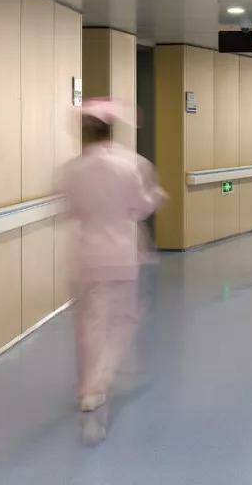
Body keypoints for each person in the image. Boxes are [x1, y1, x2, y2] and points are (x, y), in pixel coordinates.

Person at [60, 99, 166, 418]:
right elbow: (142, 206)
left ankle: (89, 389)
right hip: (120, 254)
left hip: (87, 255)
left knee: (90, 322)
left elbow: (70, 209)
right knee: (124, 318)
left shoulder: (73, 170)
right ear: (111, 130)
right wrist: (155, 197)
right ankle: (103, 376)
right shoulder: (130, 164)